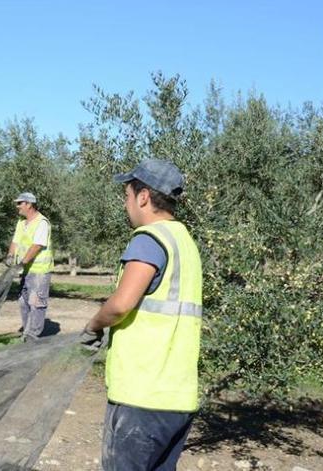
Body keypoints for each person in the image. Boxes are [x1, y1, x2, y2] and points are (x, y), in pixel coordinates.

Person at [80, 159, 202, 471]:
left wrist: (93, 325)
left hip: (141, 397)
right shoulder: (185, 243)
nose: (126, 204)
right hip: (177, 399)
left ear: (143, 196)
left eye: (127, 195)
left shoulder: (149, 239)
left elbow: (121, 304)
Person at [5, 191, 54, 342]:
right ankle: (27, 333)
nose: (17, 206)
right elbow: (16, 241)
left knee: (36, 303)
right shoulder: (21, 222)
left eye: (20, 203)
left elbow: (37, 246)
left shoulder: (42, 223)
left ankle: (32, 337)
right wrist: (10, 256)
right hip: (26, 271)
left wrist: (22, 262)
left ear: (29, 204)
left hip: (39, 272)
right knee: (23, 302)